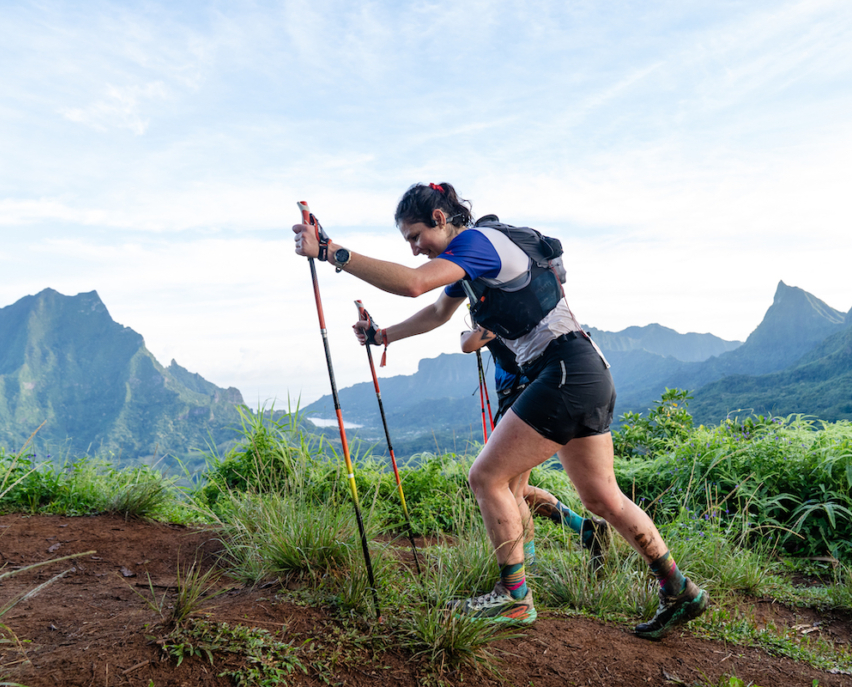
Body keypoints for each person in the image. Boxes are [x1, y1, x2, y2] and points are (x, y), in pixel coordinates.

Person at [292, 182, 708, 638]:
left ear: (439, 217)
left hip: (563, 371)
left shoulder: (479, 243)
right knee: (601, 497)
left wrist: (331, 251)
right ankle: (680, 590)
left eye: (415, 237)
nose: (414, 250)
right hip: (587, 372)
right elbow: (435, 313)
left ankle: (515, 600)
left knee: (487, 478)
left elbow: (413, 285)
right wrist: (383, 336)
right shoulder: (469, 264)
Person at [461, 325, 610, 571]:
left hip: (522, 398)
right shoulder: (514, 314)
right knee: (520, 489)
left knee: (513, 491)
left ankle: (528, 567)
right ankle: (585, 529)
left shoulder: (502, 316)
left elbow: (468, 344)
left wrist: (470, 332)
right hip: (521, 396)